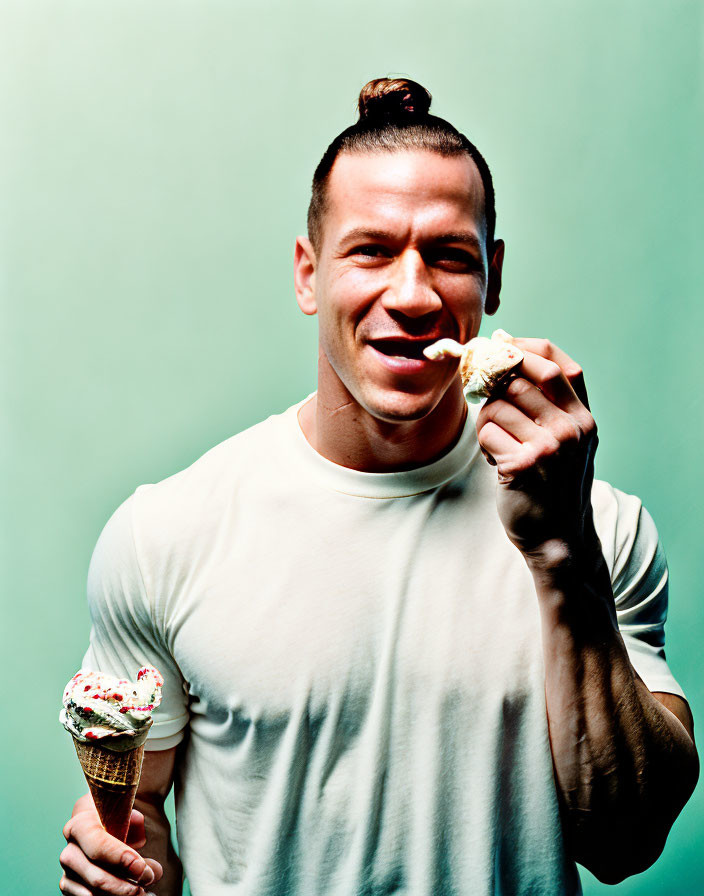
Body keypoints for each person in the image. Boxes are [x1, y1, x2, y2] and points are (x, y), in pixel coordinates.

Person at [59, 77, 698, 896]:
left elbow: (626, 842)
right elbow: (141, 819)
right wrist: (124, 871)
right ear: (307, 273)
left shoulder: (602, 527)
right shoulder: (166, 533)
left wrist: (562, 547)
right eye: (371, 250)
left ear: (492, 279)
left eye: (450, 256)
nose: (413, 295)